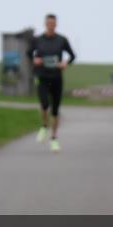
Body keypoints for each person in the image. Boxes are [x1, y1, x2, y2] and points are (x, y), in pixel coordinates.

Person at [27, 14, 75, 152]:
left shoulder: (61, 40)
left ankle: (54, 139)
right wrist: (34, 60)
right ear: (45, 24)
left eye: (53, 23)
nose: (51, 25)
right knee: (44, 105)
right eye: (48, 23)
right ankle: (44, 126)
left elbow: (72, 55)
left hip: (56, 78)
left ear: (56, 24)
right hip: (42, 77)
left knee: (55, 110)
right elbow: (29, 53)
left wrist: (65, 63)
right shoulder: (38, 40)